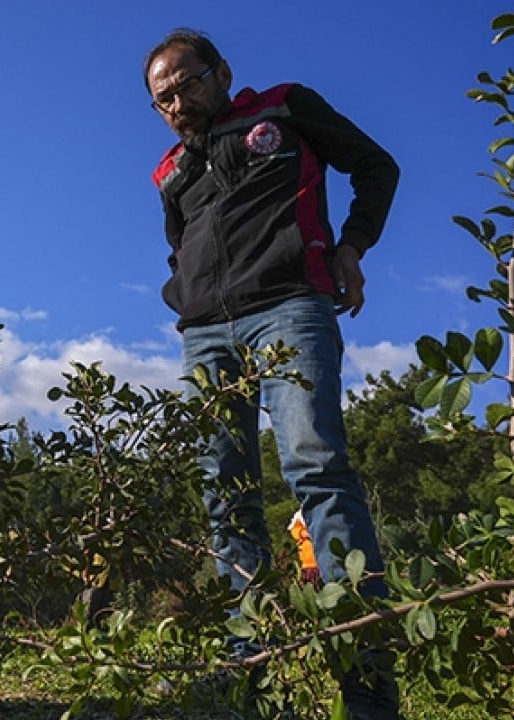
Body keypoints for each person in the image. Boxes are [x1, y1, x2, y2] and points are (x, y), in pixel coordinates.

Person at [143, 29, 402, 719]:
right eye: (162, 96)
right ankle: (249, 679)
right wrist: (188, 301)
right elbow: (182, 249)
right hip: (204, 337)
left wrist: (351, 246)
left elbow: (377, 166)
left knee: (316, 470)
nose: (177, 100)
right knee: (224, 497)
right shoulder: (170, 171)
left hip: (290, 309)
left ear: (221, 71)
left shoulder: (284, 110)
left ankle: (367, 689)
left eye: (187, 82)